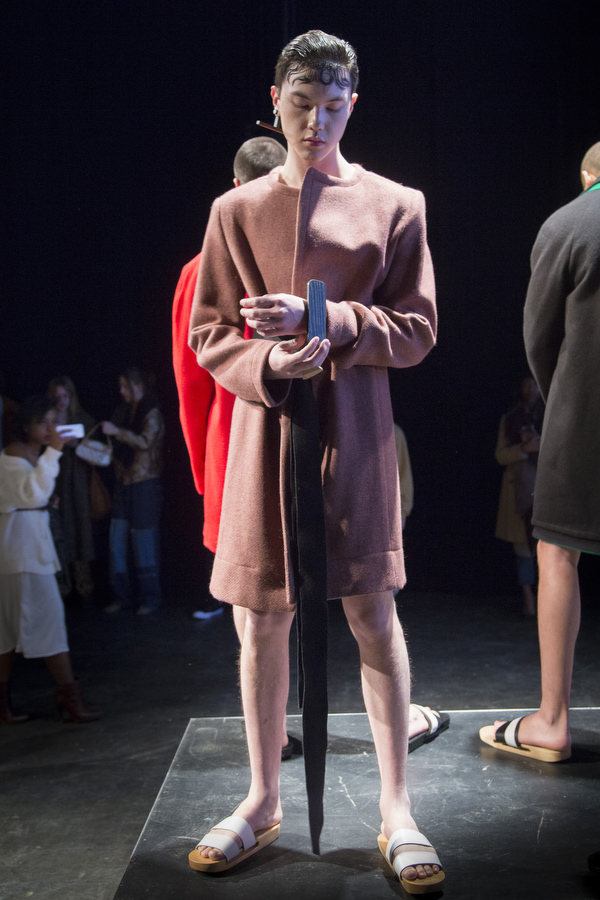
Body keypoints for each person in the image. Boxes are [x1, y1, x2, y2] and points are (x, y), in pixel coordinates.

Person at [187, 31, 443, 893]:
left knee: (372, 609)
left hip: (356, 435)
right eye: (302, 104)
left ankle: (398, 808)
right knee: (262, 619)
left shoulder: (395, 204)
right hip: (266, 437)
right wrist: (266, 360)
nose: (316, 122)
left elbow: (418, 328)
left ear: (352, 105)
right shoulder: (235, 212)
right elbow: (208, 333)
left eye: (333, 106)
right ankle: (262, 799)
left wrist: (326, 321)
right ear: (276, 101)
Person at [480, 142, 600, 767]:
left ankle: (552, 721)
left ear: (586, 177)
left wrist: (566, 405)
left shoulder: (570, 222)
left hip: (586, 421)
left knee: (557, 552)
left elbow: (539, 336)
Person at [173, 136, 287, 623]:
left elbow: (190, 383)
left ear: (236, 186)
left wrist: (203, 470)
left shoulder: (200, 270)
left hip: (230, 439)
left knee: (250, 591)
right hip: (296, 433)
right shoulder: (306, 261)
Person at [0, 396, 101, 723]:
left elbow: (30, 496)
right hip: (22, 555)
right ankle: (69, 697)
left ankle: (4, 705)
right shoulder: (14, 453)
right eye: (42, 422)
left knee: (7, 631)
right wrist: (55, 451)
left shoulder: (30, 453)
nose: (50, 428)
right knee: (49, 624)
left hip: (24, 552)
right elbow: (32, 494)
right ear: (26, 425)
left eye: (53, 421)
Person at [102, 368, 165, 615]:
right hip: (124, 482)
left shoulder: (151, 412)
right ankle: (121, 597)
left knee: (143, 542)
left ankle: (150, 599)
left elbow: (146, 443)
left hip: (144, 483)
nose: (122, 391)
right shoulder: (122, 411)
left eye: (125, 386)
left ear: (138, 386)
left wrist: (117, 432)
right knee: (116, 540)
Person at [494, 374, 544, 616]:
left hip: (545, 492)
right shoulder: (510, 418)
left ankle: (547, 601)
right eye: (527, 384)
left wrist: (540, 443)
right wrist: (524, 448)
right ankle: (529, 603)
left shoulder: (550, 414)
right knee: (523, 552)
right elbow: (501, 455)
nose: (531, 389)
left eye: (535, 384)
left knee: (548, 552)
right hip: (519, 494)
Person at [47, 376, 96, 600]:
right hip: (55, 484)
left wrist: (79, 445)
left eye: (65, 396)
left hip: (79, 485)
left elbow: (97, 452)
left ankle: (85, 589)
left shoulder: (82, 419)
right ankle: (63, 591)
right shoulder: (46, 422)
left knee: (81, 534)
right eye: (57, 397)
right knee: (60, 535)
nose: (62, 402)